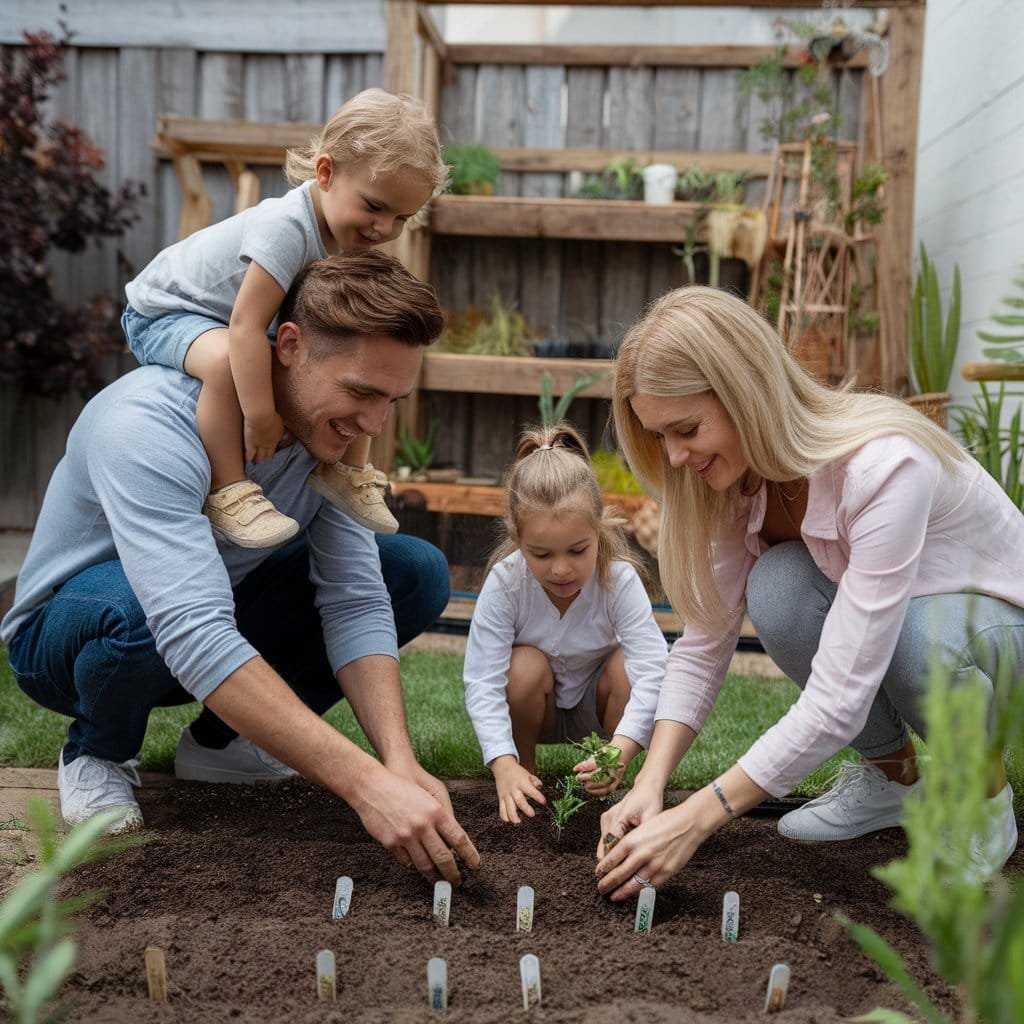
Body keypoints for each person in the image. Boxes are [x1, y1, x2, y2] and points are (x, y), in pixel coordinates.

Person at [1, 250, 480, 886]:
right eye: (361, 391)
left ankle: (224, 744)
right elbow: (191, 628)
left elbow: (357, 599)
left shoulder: (327, 438)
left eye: (391, 398)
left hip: (207, 619)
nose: (374, 423)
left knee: (412, 571)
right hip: (77, 638)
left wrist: (397, 762)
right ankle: (98, 752)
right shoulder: (147, 424)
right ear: (289, 344)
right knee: (139, 611)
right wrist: (364, 786)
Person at [594, 284, 1024, 900]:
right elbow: (704, 643)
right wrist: (650, 784)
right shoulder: (736, 485)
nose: (676, 456)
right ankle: (893, 781)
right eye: (660, 436)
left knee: (911, 636)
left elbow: (839, 696)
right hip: (923, 626)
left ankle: (985, 803)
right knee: (778, 587)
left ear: (744, 392)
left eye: (686, 429)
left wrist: (700, 817)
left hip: (1004, 635)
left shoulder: (883, 467)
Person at [122, 88, 447, 545]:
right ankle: (231, 491)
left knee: (367, 369)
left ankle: (348, 473)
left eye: (402, 218)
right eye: (374, 206)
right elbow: (245, 327)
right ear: (326, 171)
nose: (384, 229)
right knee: (223, 365)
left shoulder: (347, 235)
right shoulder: (287, 228)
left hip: (229, 317)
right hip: (165, 311)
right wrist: (260, 417)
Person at [463, 423, 668, 824]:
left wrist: (623, 749)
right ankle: (524, 780)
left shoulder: (619, 580)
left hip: (599, 707)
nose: (561, 569)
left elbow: (654, 671)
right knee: (522, 667)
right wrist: (502, 763)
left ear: (599, 527)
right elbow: (482, 681)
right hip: (535, 711)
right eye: (540, 554)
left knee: (629, 668)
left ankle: (609, 785)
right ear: (517, 538)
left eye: (578, 550)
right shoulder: (506, 582)